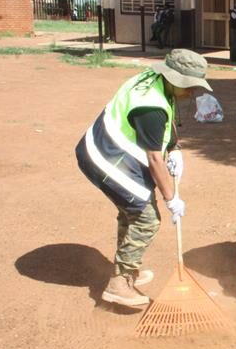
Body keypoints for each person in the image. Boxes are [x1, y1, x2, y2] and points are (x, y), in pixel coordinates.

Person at [75, 49, 213, 308]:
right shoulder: (151, 106)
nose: (193, 92)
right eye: (190, 86)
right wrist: (172, 198)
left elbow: (168, 120)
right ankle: (120, 282)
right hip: (105, 158)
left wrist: (174, 148)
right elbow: (153, 160)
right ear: (174, 78)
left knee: (132, 210)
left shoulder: (156, 81)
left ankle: (125, 270)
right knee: (146, 218)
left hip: (107, 150)